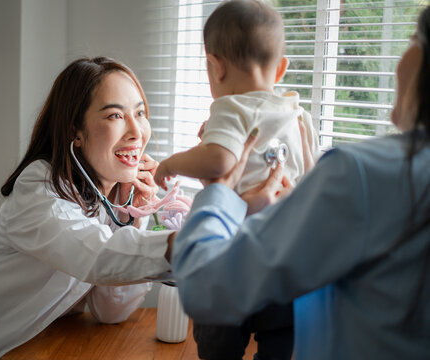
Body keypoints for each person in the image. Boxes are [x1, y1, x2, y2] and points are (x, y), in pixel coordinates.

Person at [172, 5, 430, 360]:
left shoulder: (361, 174)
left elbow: (203, 285)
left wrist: (219, 194)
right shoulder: (298, 115)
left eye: (413, 38)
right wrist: (300, 203)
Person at [0, 57, 176, 359]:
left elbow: (110, 310)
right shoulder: (38, 186)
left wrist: (134, 219)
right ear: (75, 132)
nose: (136, 131)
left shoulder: (107, 201)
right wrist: (180, 245)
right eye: (115, 116)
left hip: (14, 346)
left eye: (140, 112)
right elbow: (94, 255)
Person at [155, 1, 319, 359]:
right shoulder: (299, 116)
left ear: (214, 66)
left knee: (218, 337)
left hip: (233, 256)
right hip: (283, 261)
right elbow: (312, 179)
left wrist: (171, 162)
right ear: (281, 69)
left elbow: (219, 161)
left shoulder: (232, 108)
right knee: (282, 335)